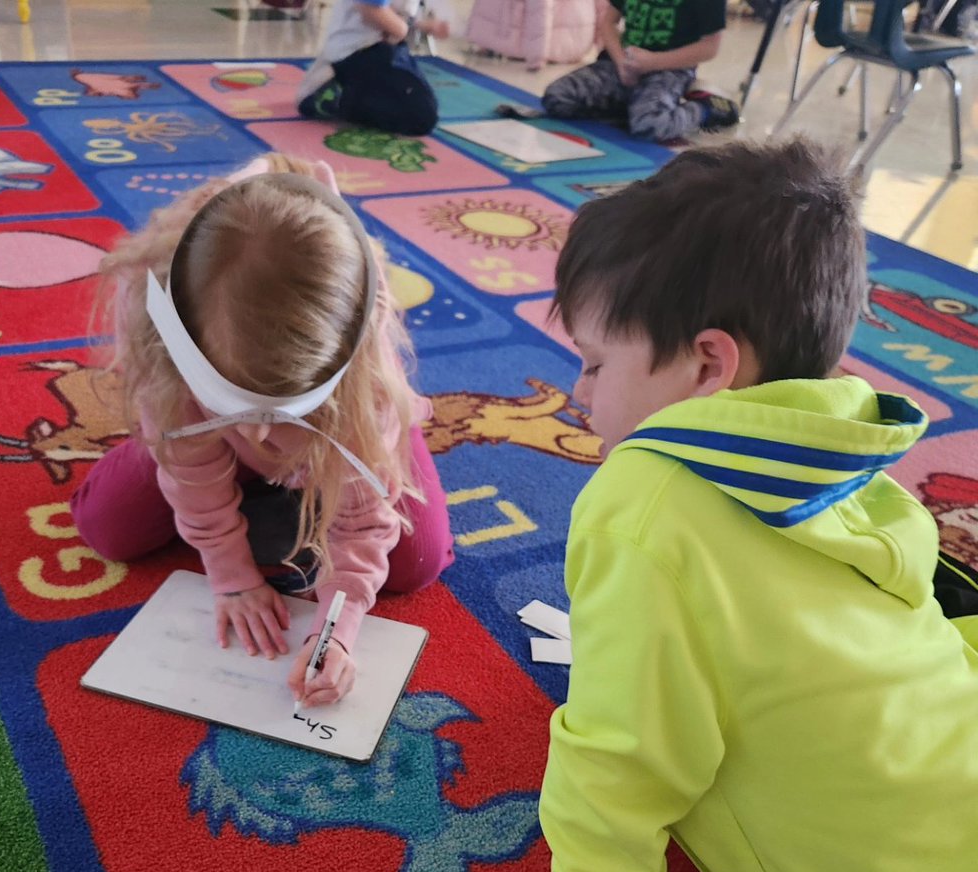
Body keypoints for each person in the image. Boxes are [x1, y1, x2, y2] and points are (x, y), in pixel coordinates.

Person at [531, 137, 978, 872]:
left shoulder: (639, 500)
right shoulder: (843, 435)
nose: (576, 395)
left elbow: (618, 756)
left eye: (595, 362)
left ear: (706, 365)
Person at [70, 153, 454, 709]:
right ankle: (268, 490)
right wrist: (231, 576)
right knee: (108, 527)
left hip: (341, 436)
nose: (257, 429)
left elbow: (364, 524)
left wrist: (336, 630)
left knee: (415, 561)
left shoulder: (363, 378)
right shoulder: (165, 335)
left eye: (279, 409)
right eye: (236, 403)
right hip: (193, 432)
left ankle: (291, 486)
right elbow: (189, 469)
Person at [540, 0, 739, 140]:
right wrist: (621, 61)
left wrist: (653, 62)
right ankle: (633, 105)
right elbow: (608, 22)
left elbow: (710, 47)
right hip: (622, 64)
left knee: (649, 126)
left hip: (670, 70)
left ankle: (705, 108)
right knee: (557, 97)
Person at [295, 0, 450, 135]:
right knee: (421, 117)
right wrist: (403, 29)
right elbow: (370, 10)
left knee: (419, 102)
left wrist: (422, 25)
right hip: (358, 49)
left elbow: (393, 10)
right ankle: (332, 93)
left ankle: (346, 85)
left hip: (382, 45)